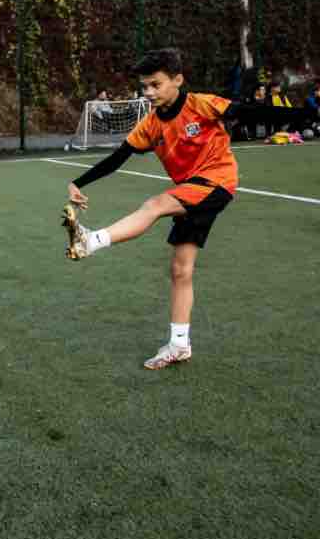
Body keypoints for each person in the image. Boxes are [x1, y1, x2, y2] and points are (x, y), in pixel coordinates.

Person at [60, 48, 277, 370]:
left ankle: (90, 242)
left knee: (156, 204)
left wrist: (307, 115)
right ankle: (179, 345)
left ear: (177, 80)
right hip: (192, 190)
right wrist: (79, 182)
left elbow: (252, 113)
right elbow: (117, 159)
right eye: (144, 86)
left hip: (216, 182)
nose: (148, 92)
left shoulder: (200, 105)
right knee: (180, 269)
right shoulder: (149, 125)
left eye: (155, 85)